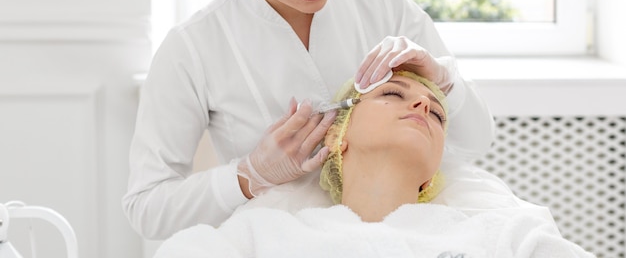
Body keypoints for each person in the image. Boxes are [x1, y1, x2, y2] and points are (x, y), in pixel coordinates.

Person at [122, 0, 497, 240]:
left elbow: (476, 140)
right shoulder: (194, 47)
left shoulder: (384, 7)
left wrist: (442, 78)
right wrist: (248, 176)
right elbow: (148, 208)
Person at [153, 71, 596, 257]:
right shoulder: (265, 234)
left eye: (438, 113)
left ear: (433, 171)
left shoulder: (502, 233)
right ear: (337, 135)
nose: (424, 102)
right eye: (392, 94)